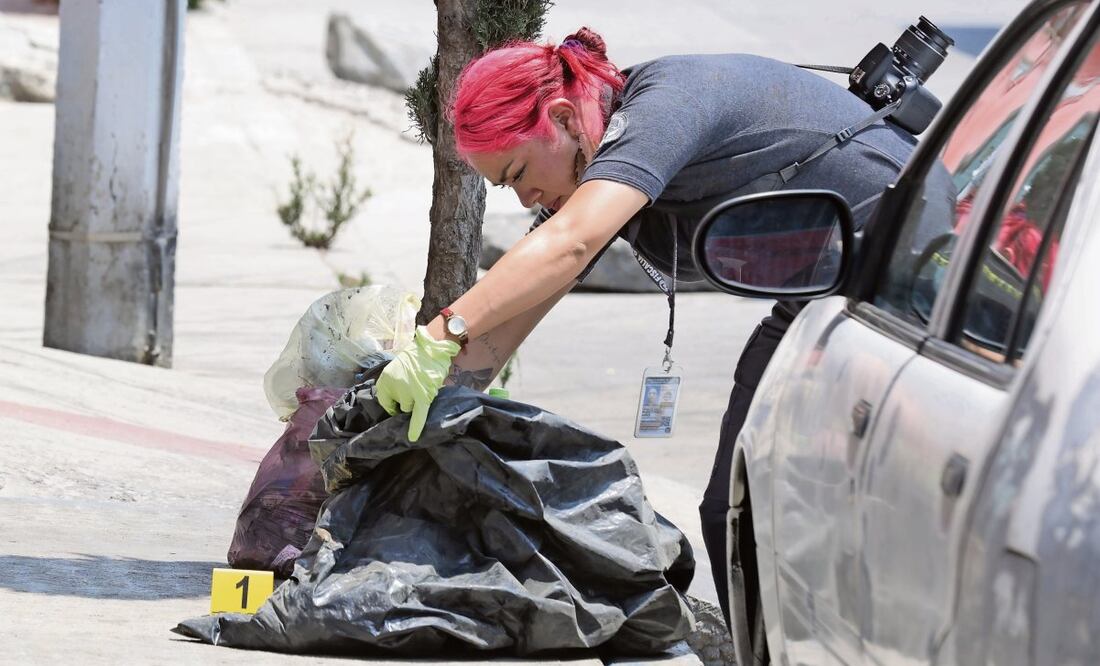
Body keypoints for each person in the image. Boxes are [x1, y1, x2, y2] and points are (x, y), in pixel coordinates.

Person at [375, 27, 916, 625]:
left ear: (560, 116)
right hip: (822, 296)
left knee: (836, 516)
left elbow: (570, 244)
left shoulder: (662, 108)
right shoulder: (596, 151)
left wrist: (442, 333)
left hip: (910, 276)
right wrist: (434, 403)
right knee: (737, 511)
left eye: (518, 172)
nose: (527, 198)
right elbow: (531, 291)